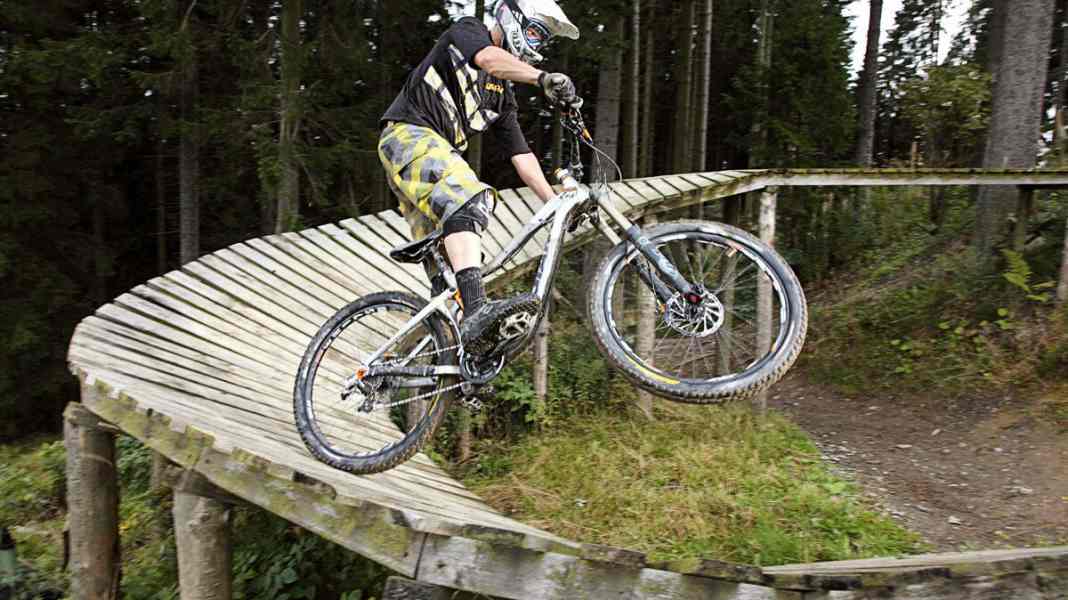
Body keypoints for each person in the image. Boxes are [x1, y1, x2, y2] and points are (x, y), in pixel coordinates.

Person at [378, 0, 579, 355]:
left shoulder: (501, 97)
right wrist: (542, 78)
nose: (538, 44)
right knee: (471, 199)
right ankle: (475, 314)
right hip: (408, 137)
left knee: (449, 279)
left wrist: (557, 204)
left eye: (544, 39)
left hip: (423, 162)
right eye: (535, 31)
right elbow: (487, 58)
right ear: (512, 19)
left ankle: (450, 367)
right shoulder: (468, 31)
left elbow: (522, 156)